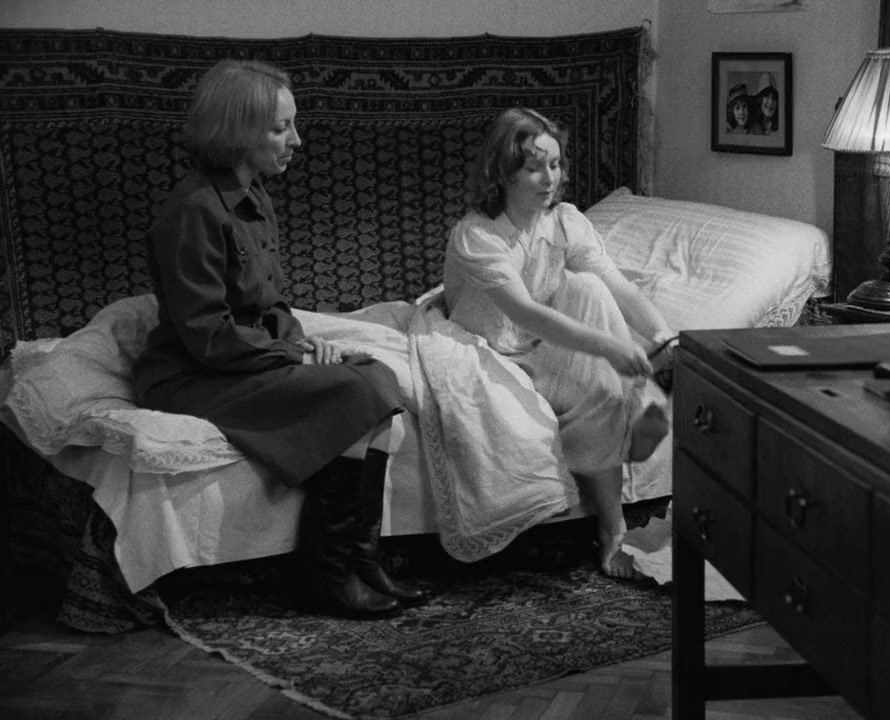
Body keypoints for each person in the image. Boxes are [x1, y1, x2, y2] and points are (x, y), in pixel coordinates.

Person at [132, 59, 426, 619]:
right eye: (279, 128)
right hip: (194, 374)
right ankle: (326, 573)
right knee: (352, 392)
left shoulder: (256, 197)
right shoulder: (193, 211)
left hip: (239, 359)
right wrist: (293, 354)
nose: (296, 140)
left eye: (292, 124)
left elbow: (269, 304)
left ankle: (360, 561)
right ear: (238, 133)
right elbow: (207, 335)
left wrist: (306, 343)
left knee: (376, 374)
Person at [442, 107, 676, 580]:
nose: (549, 178)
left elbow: (618, 286)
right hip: (489, 347)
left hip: (541, 342)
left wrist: (664, 335)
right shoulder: (478, 235)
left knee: (589, 288)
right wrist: (608, 347)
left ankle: (612, 525)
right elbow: (525, 313)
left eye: (554, 164)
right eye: (533, 167)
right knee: (599, 365)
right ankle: (634, 402)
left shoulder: (565, 221)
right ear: (503, 172)